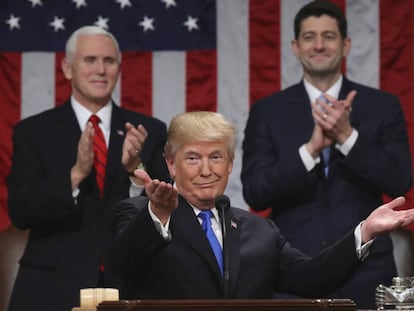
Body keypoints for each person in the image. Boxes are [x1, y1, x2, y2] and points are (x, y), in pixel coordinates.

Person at [108, 111, 414, 302]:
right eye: (192, 158)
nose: (206, 170)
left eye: (216, 157)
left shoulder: (258, 230)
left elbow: (312, 278)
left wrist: (365, 231)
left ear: (230, 164)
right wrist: (158, 216)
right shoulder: (139, 215)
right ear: (171, 165)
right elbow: (120, 268)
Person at [240, 1, 412, 309]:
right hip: (292, 271)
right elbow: (256, 191)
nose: (319, 45)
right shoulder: (268, 111)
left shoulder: (382, 105)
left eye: (329, 36)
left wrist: (347, 137)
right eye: (309, 37)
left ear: (345, 45)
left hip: (367, 269)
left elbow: (399, 181)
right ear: (295, 46)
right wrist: (310, 151)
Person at [6, 26, 170, 311]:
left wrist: (136, 170)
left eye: (109, 61)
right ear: (68, 68)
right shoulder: (33, 131)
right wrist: (75, 175)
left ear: (118, 68)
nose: (101, 70)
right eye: (90, 60)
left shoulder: (149, 131)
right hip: (52, 287)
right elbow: (20, 211)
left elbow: (166, 213)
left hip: (129, 283)